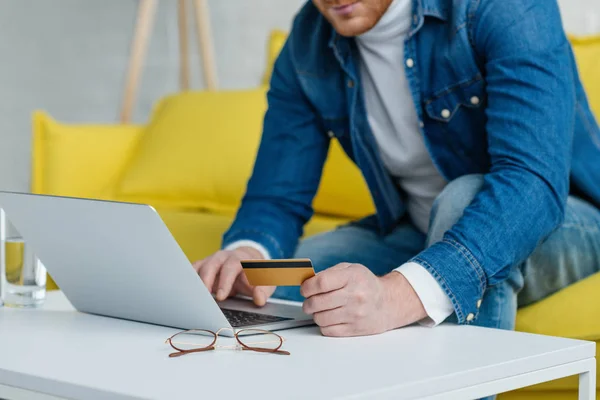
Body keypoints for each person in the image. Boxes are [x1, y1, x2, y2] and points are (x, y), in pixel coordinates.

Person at [194, 0, 600, 339]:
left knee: (464, 200)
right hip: (419, 229)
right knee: (278, 282)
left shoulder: (503, 7)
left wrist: (397, 295)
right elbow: (276, 197)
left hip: (564, 222)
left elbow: (531, 184)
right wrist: (246, 255)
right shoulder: (307, 41)